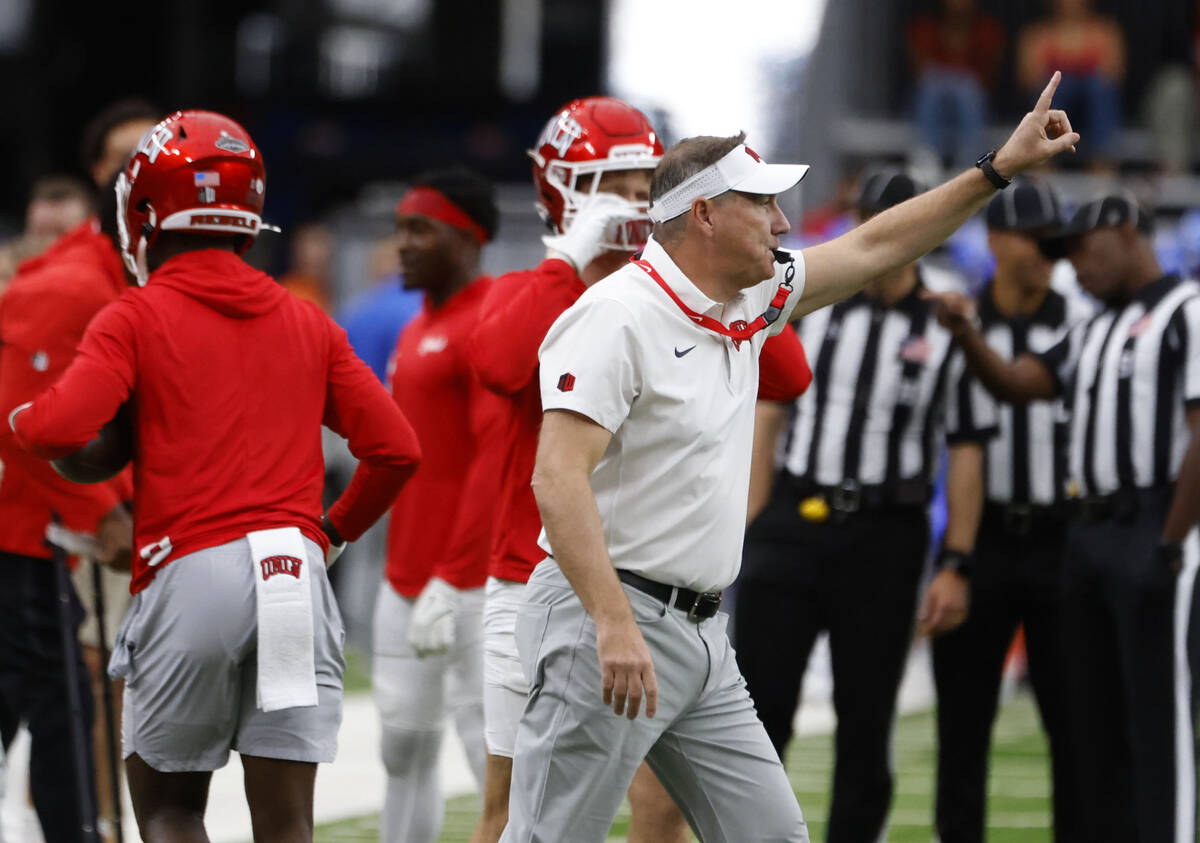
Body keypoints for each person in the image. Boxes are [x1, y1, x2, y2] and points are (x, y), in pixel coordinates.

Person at [500, 74, 1077, 842]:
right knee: (548, 837)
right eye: (761, 204)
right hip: (607, 615)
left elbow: (875, 244)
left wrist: (995, 169)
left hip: (702, 631)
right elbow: (556, 477)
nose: (781, 221)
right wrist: (611, 621)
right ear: (703, 214)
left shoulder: (748, 297)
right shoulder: (616, 315)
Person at [9, 109, 422, 842]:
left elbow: (59, 428)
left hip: (190, 564)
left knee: (171, 811)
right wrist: (332, 530)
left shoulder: (135, 313)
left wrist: (17, 420)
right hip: (293, 571)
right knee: (287, 822)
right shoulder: (306, 318)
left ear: (145, 209)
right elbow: (396, 447)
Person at [923, 193, 1200, 842]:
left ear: (1126, 230)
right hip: (1087, 535)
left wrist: (1171, 539)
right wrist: (966, 331)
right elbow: (1018, 385)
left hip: (1150, 521)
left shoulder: (1186, 311)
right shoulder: (1094, 328)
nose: (1074, 265)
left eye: (1082, 247)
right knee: (1092, 726)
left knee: (1156, 727)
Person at [734, 169, 996, 842]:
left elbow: (968, 445)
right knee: (757, 713)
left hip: (886, 532)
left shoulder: (947, 318)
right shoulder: (814, 303)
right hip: (795, 516)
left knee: (866, 722)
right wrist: (756, 518)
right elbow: (770, 411)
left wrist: (956, 559)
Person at [0, 99, 158, 843]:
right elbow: (21, 413)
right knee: (66, 699)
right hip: (29, 533)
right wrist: (103, 509)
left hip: (50, 529)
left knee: (59, 695)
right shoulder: (71, 283)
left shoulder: (109, 277)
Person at [930, 178, 1091, 843]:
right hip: (988, 538)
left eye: (1056, 241)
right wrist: (955, 560)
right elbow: (961, 445)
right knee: (962, 727)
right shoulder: (960, 328)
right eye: (1037, 240)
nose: (1050, 254)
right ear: (996, 242)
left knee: (1076, 727)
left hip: (1066, 538)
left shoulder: (1083, 321)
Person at [372, 167, 499, 843]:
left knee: (489, 753)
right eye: (400, 226)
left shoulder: (484, 320)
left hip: (472, 581)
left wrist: (454, 574)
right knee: (401, 749)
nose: (403, 242)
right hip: (405, 572)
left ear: (468, 237)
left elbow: (493, 457)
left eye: (420, 227)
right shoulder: (416, 326)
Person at [1017, 0, 1124, 166]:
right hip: (1057, 102)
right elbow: (1029, 79)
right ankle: (1045, 163)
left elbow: (1113, 74)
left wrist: (1073, 67)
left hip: (1092, 107)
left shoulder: (1105, 31)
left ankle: (1102, 164)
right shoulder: (1038, 34)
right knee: (1054, 89)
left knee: (1099, 90)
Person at [908, 0, 1005, 169]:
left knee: (967, 89)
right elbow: (920, 71)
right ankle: (926, 156)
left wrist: (959, 79)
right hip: (935, 99)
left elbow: (987, 76)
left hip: (973, 101)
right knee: (932, 84)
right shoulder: (926, 27)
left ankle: (970, 160)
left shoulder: (986, 29)